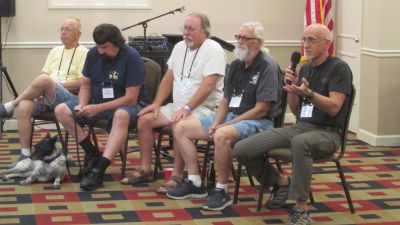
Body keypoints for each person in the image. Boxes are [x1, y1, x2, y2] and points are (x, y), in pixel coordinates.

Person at [233, 23, 353, 225]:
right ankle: (280, 182)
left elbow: (334, 107)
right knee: (242, 148)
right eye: (304, 39)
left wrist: (310, 94)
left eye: (311, 40)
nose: (306, 45)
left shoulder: (339, 68)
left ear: (327, 44)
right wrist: (291, 90)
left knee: (300, 143)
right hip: (301, 127)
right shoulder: (305, 67)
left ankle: (300, 208)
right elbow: (297, 111)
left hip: (327, 133)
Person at [166, 21, 283, 211]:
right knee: (180, 126)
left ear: (258, 42)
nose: (240, 42)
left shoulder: (268, 66)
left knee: (221, 135)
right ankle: (195, 182)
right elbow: (225, 101)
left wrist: (225, 125)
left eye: (246, 38)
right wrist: (217, 121)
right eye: (239, 37)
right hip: (231, 117)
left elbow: (261, 109)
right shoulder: (236, 65)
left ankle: (222, 190)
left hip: (259, 121)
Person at [120, 12, 227, 189]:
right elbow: (168, 78)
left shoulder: (213, 49)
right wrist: (156, 103)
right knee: (145, 119)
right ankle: (145, 169)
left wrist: (187, 108)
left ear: (204, 32)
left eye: (191, 29)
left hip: (205, 108)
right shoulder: (179, 47)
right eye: (184, 28)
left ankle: (177, 176)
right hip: (178, 106)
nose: (186, 32)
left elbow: (209, 84)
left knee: (179, 122)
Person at [54, 23, 147, 191]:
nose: (101, 51)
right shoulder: (93, 54)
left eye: (105, 47)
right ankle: (92, 152)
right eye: (98, 46)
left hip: (129, 105)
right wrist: (82, 103)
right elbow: (86, 85)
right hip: (98, 101)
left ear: (117, 43)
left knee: (120, 115)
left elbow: (131, 98)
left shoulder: (131, 57)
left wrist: (97, 108)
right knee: (61, 110)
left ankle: (99, 169)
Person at [0, 17, 88, 166]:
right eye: (61, 29)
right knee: (24, 106)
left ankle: (10, 105)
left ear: (78, 34)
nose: (63, 32)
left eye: (67, 29)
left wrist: (54, 85)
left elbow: (82, 82)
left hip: (68, 97)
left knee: (46, 81)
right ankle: (25, 155)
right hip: (47, 94)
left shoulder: (85, 53)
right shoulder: (55, 50)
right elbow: (43, 76)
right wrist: (43, 90)